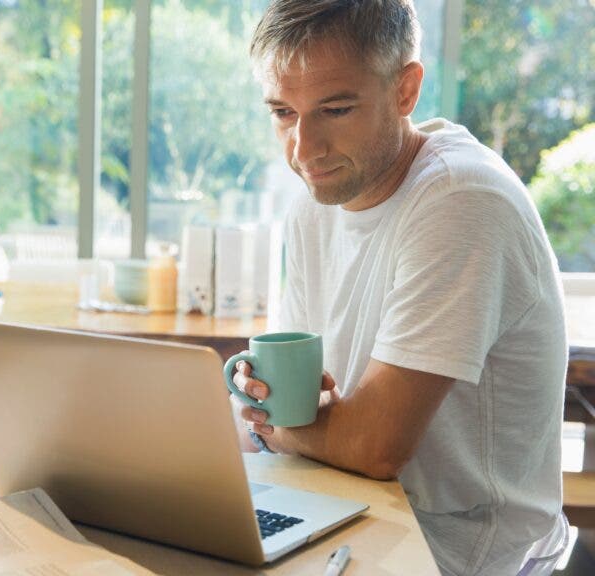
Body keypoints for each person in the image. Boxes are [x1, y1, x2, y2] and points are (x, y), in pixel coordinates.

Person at [231, 1, 569, 574]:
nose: (303, 149)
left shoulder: (462, 201)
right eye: (284, 113)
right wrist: (267, 407)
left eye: (335, 110)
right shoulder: (315, 204)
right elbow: (312, 406)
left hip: (465, 549)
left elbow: (373, 447)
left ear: (406, 89)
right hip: (352, 510)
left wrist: (277, 429)